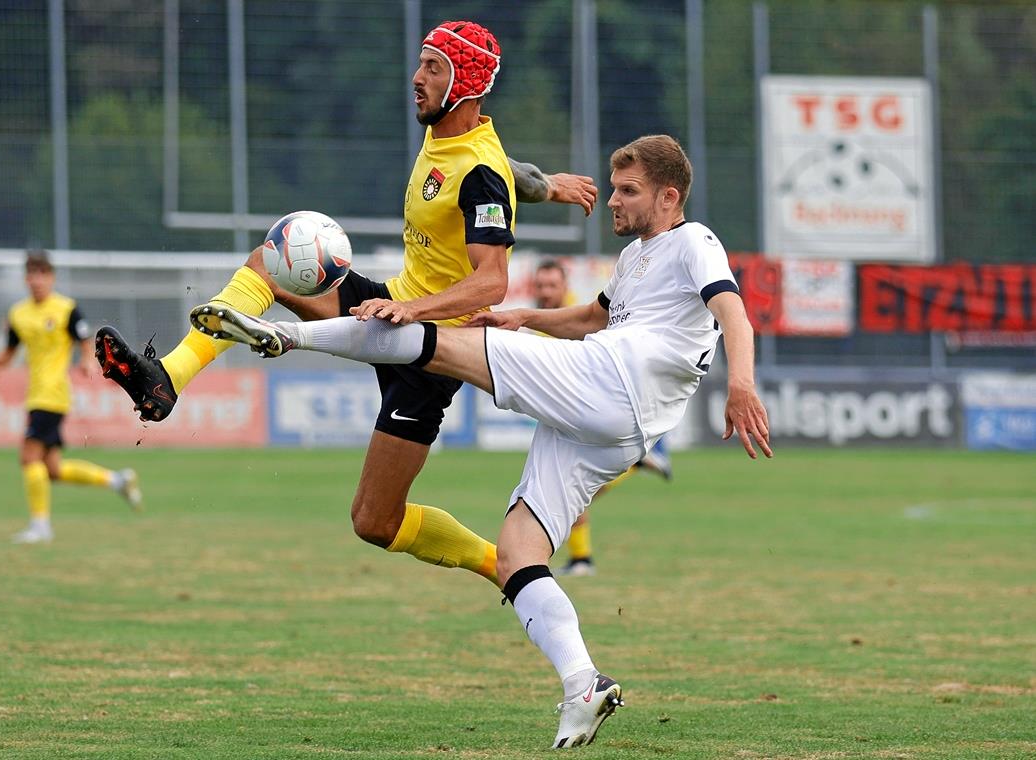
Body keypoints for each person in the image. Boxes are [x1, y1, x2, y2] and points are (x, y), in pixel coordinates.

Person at [191, 134, 773, 748]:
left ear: (669, 196)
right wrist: (524, 318)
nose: (614, 201)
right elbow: (593, 319)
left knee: (427, 336)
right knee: (519, 551)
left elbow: (733, 310)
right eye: (615, 188)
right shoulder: (633, 261)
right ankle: (582, 685)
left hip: (612, 382)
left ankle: (284, 338)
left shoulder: (693, 240)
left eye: (629, 191)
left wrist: (741, 384)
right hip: (621, 428)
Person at [95, 21, 597, 587]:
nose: (417, 77)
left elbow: (492, 282)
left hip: (433, 352)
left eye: (434, 68)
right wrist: (549, 185)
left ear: (466, 86)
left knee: (374, 521)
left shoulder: (479, 171)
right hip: (388, 308)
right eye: (421, 62)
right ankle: (165, 381)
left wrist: (415, 312)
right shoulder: (457, 139)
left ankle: (504, 567)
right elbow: (512, 174)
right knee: (271, 259)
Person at [0, 251, 141, 544]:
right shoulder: (19, 313)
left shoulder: (67, 309)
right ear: (26, 278)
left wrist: (85, 360)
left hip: (52, 394)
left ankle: (40, 527)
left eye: (42, 274)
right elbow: (11, 349)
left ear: (51, 277)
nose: (36, 280)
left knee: (28, 457)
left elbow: (84, 341)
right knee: (52, 470)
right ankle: (118, 481)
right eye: (31, 274)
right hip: (37, 394)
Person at [531, 259, 673, 577]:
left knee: (565, 491)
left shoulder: (577, 320)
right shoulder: (542, 320)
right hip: (567, 420)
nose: (545, 292)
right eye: (541, 285)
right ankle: (581, 559)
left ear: (565, 286)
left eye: (552, 285)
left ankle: (576, 559)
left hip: (588, 418)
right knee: (569, 492)